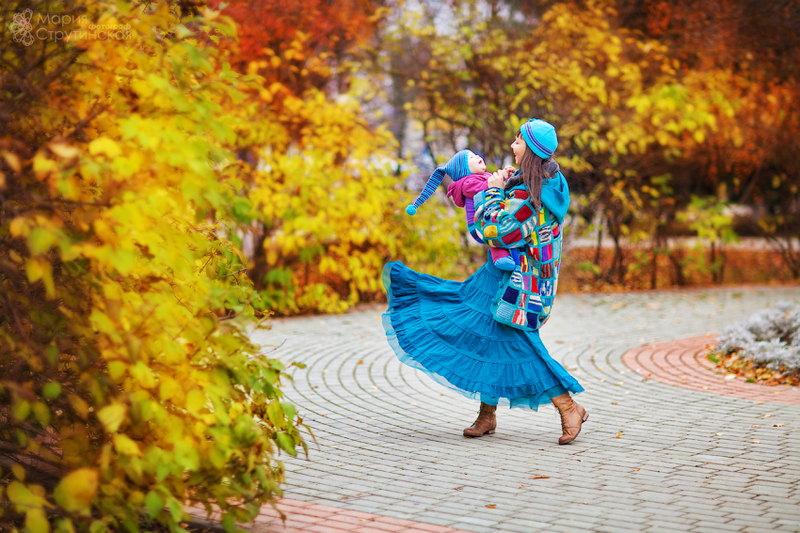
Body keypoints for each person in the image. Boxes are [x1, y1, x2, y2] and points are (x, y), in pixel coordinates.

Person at [383, 119, 587, 444]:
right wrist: (506, 183)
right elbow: (515, 214)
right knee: (484, 333)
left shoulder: (531, 195)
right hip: (511, 276)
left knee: (521, 344)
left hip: (522, 284)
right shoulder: (545, 180)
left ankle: (568, 406)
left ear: (531, 151)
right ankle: (487, 415)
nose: (512, 146)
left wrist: (492, 191)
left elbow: (496, 233)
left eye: (518, 141)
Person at [406, 149, 516, 271]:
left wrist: (509, 176)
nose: (477, 156)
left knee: (498, 231)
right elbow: (488, 188)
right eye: (471, 158)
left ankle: (506, 255)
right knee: (492, 233)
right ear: (464, 170)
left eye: (475, 155)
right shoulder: (468, 183)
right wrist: (501, 176)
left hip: (488, 219)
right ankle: (500, 258)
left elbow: (501, 188)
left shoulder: (484, 176)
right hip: (478, 225)